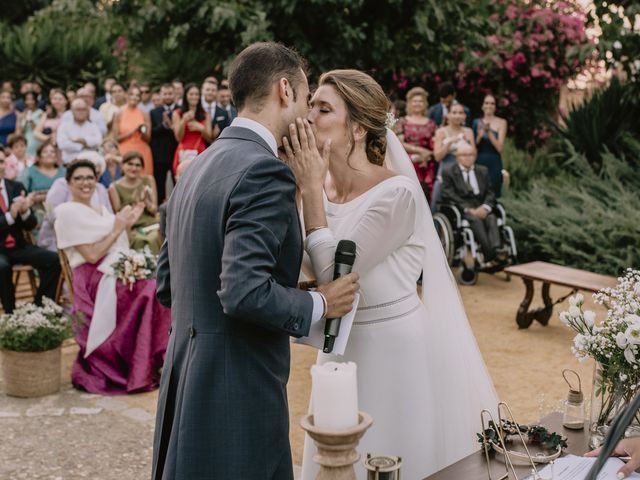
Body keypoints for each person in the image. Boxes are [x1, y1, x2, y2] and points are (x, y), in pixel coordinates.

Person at [151, 42, 360, 480]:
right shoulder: (265, 171)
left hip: (185, 376)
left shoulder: (196, 168)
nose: (306, 114)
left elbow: (171, 283)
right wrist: (321, 302)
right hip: (237, 386)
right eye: (306, 99)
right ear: (285, 90)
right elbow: (243, 292)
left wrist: (284, 289)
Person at [290, 69, 497, 480]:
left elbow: (333, 273)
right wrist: (302, 189)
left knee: (388, 457)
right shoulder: (316, 187)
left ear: (359, 128)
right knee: (334, 459)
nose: (308, 116)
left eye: (324, 108)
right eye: (310, 105)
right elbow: (301, 264)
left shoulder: (396, 195)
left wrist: (308, 189)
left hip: (393, 350)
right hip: (340, 350)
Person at [54, 159, 170, 394]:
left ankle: (153, 361)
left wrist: (127, 224)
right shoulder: (66, 212)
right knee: (149, 290)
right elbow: (92, 253)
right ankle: (137, 364)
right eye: (79, 178)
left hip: (115, 268)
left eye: (90, 177)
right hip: (91, 278)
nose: (86, 183)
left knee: (159, 286)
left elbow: (115, 243)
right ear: (68, 183)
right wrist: (117, 227)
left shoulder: (100, 208)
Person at [0, 148, 61, 313]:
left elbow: (31, 224)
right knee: (2, 267)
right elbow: (9, 216)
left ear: (5, 164)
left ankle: (40, 307)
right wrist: (11, 215)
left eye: (0, 162)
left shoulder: (16, 186)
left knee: (54, 260)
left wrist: (25, 211)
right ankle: (10, 312)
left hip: (19, 246)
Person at [441, 143, 502, 263]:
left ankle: (496, 249)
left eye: (471, 155)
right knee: (475, 219)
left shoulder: (482, 170)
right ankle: (489, 253)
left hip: (481, 204)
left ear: (475, 156)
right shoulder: (449, 172)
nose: (468, 157)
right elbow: (448, 194)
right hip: (462, 207)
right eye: (464, 155)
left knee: (491, 218)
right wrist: (468, 209)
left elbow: (490, 192)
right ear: (458, 157)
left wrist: (485, 207)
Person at [38, 153, 112, 252]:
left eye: (94, 175)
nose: (86, 181)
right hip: (61, 242)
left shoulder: (100, 188)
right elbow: (53, 216)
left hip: (97, 241)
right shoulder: (62, 184)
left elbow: (109, 216)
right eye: (80, 177)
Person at [108, 151, 161, 254]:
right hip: (132, 226)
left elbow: (154, 210)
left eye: (138, 165)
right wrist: (134, 204)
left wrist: (145, 201)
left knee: (154, 237)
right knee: (141, 240)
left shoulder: (149, 180)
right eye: (130, 164)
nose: (134, 168)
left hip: (150, 223)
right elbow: (119, 214)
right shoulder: (114, 187)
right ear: (123, 166)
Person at [430, 102, 475, 212]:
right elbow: (437, 157)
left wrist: (465, 144)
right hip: (446, 171)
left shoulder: (468, 132)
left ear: (464, 116)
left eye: (460, 113)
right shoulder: (441, 132)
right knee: (438, 207)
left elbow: (474, 154)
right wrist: (449, 143)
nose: (457, 115)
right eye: (454, 112)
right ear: (448, 115)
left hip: (464, 173)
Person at [396, 86, 438, 200]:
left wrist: (426, 157)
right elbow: (399, 144)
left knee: (425, 195)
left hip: (426, 165)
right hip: (408, 163)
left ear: (425, 104)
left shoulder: (431, 124)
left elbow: (435, 146)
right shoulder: (402, 122)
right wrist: (420, 151)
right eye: (414, 101)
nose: (417, 104)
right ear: (409, 103)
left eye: (420, 101)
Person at [171, 83, 212, 175]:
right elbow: (178, 138)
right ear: (186, 96)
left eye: (196, 94)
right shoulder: (177, 113)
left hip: (200, 151)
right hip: (183, 151)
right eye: (191, 94)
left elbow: (209, 138)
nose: (194, 97)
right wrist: (183, 121)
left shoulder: (206, 114)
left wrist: (200, 128)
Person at [112, 86, 153, 177]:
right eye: (131, 94)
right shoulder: (119, 113)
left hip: (142, 150)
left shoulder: (144, 114)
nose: (134, 97)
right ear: (127, 95)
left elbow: (148, 138)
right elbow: (115, 138)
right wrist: (132, 131)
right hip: (124, 150)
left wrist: (142, 132)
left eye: (137, 95)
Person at [473, 94, 508, 197]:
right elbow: (472, 146)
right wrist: (479, 136)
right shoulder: (476, 122)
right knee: (479, 190)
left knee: (493, 190)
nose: (489, 105)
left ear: (495, 107)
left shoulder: (501, 122)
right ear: (482, 106)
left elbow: (500, 148)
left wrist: (489, 133)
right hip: (479, 160)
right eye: (487, 103)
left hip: (494, 160)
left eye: (492, 103)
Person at [150, 84, 178, 203]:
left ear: (174, 94)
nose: (167, 96)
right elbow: (152, 132)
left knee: (178, 183)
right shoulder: (154, 112)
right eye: (165, 94)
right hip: (159, 155)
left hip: (175, 153)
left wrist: (172, 126)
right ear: (161, 95)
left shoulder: (180, 110)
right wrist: (163, 126)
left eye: (170, 93)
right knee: (159, 184)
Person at [57, 99, 103, 165]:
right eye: (78, 109)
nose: (81, 112)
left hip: (91, 163)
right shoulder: (64, 126)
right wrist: (83, 146)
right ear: (72, 111)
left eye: (83, 109)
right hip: (70, 162)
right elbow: (62, 144)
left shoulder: (93, 126)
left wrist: (83, 140)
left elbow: (98, 141)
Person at [15, 91, 43, 157]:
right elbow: (20, 132)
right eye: (27, 99)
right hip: (25, 142)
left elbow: (40, 131)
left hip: (37, 142)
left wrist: (32, 122)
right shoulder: (23, 113)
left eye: (32, 99)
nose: (29, 102)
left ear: (35, 100)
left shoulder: (41, 113)